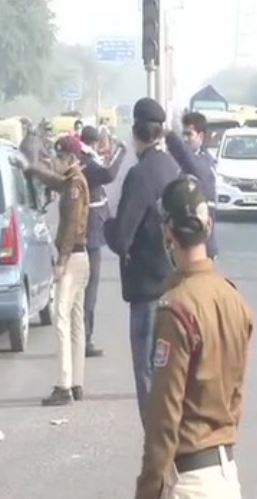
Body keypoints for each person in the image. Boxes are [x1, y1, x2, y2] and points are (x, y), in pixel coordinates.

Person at [125, 176, 253, 499]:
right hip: (228, 484)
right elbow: (236, 399)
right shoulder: (234, 300)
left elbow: (164, 422)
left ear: (168, 232)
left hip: (191, 490)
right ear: (208, 224)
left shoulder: (177, 308)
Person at [103, 98, 180, 424]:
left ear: (136, 133)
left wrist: (105, 221)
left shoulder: (140, 174)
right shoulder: (171, 167)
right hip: (175, 284)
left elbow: (122, 239)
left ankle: (156, 448)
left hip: (148, 290)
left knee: (147, 371)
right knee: (170, 372)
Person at [20, 136, 90, 406]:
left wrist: (61, 261)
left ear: (71, 159)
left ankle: (63, 386)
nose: (57, 162)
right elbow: (54, 182)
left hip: (72, 258)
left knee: (61, 320)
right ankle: (77, 382)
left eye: (60, 158)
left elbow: (71, 225)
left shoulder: (75, 186)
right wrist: (35, 169)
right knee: (76, 322)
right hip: (79, 257)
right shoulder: (73, 181)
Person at [80, 125, 127, 357]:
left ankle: (83, 335)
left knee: (87, 288)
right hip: (91, 235)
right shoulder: (88, 163)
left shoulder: (86, 160)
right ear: (97, 142)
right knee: (90, 289)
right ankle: (85, 337)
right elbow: (109, 174)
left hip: (89, 233)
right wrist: (121, 151)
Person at [165, 112, 219, 258]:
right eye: (183, 134)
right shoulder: (182, 163)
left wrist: (170, 136)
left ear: (201, 137)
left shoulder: (204, 162)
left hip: (201, 244)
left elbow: (190, 162)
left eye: (189, 134)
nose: (185, 139)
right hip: (182, 241)